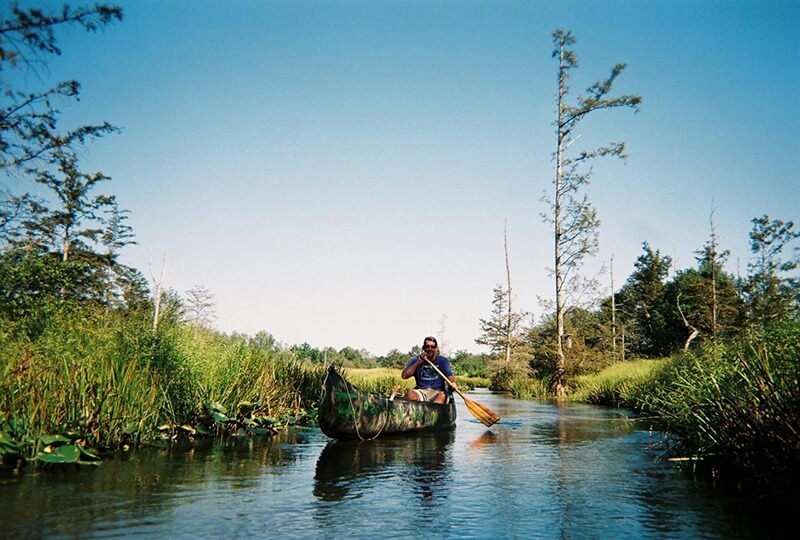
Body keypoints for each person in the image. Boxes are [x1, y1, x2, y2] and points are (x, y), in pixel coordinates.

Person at [401, 336, 457, 404]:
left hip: (438, 392)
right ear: (423, 348)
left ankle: (433, 413)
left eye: (432, 347)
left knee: (441, 397)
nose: (430, 349)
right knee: (410, 395)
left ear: (436, 348)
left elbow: (450, 378)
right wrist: (418, 363)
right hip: (421, 391)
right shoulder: (416, 360)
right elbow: (404, 376)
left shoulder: (443, 361)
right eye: (427, 346)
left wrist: (452, 383)